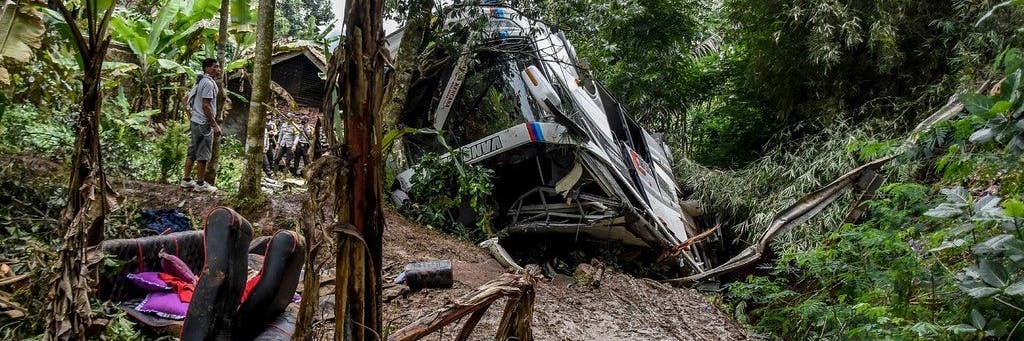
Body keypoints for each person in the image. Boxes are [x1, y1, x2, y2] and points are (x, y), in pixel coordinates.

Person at [181, 58, 222, 192]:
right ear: (207, 68)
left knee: (192, 151)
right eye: (215, 67)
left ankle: (186, 180)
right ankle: (200, 184)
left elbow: (185, 100)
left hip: (195, 121)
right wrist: (214, 125)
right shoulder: (209, 84)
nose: (218, 69)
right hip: (204, 123)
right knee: (203, 154)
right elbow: (206, 106)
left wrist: (191, 115)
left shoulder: (199, 81)